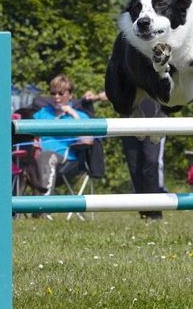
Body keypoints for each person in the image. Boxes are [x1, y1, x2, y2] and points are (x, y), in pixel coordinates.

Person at [85, 91, 166, 220]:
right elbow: (117, 87)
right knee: (135, 169)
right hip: (128, 124)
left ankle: (156, 213)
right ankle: (144, 214)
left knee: (152, 163)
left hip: (154, 122)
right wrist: (97, 97)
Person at [30, 74, 93, 195]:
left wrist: (73, 115)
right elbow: (29, 134)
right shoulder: (41, 113)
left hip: (66, 161)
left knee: (46, 156)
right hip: (36, 158)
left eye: (61, 93)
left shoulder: (80, 116)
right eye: (53, 93)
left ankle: (42, 208)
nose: (56, 97)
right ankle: (8, 209)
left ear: (70, 94)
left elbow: (87, 141)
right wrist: (33, 141)